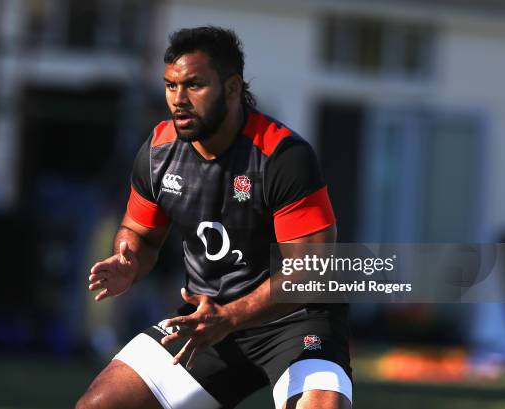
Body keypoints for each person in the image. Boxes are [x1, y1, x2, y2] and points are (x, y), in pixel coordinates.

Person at [76, 26, 352, 409]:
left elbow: (311, 270)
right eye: (171, 86)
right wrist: (129, 258)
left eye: (194, 85)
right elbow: (140, 233)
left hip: (295, 321)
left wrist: (232, 314)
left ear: (232, 88)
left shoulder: (282, 156)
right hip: (206, 322)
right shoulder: (159, 151)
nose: (179, 100)